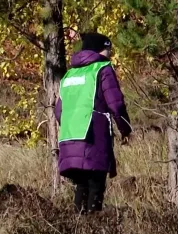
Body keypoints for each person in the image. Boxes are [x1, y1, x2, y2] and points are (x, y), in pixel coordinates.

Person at [55, 32, 132, 214]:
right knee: (96, 184)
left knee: (81, 184)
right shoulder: (102, 69)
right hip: (93, 136)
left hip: (68, 137)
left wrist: (72, 124)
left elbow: (59, 111)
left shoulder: (69, 75)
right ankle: (93, 230)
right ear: (100, 49)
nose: (110, 53)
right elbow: (116, 104)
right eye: (108, 49)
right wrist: (126, 129)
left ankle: (78, 230)